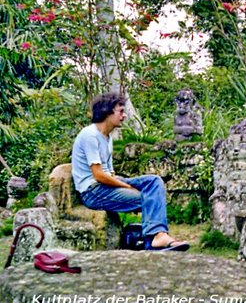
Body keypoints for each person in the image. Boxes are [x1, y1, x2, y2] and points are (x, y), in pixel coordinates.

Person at [71, 92, 189, 251]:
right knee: (148, 198)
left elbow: (109, 173)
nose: (124, 115)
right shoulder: (90, 135)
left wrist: (123, 184)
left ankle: (157, 237)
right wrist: (126, 187)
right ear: (107, 112)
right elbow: (98, 175)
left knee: (154, 182)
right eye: (120, 111)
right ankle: (155, 240)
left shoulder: (107, 137)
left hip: (104, 185)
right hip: (92, 192)